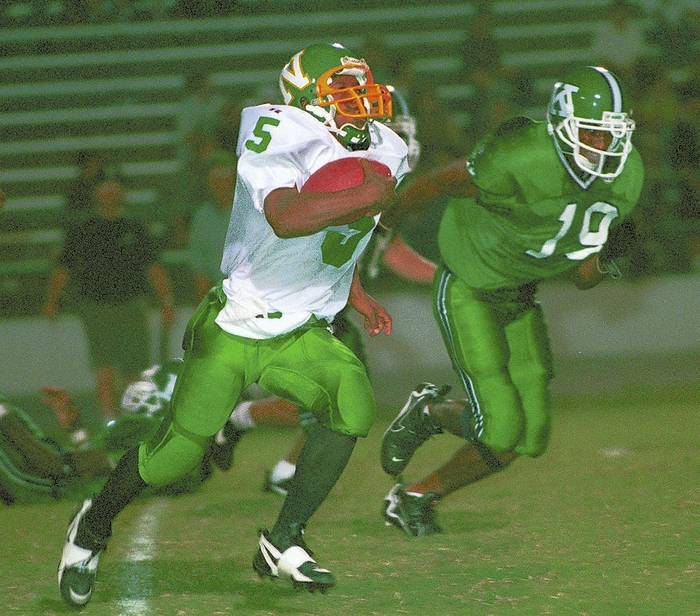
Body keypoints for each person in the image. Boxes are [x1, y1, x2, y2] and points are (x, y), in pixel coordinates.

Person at [57, 41, 407, 607]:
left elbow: (349, 232)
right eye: (343, 89)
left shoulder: (389, 146)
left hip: (302, 329)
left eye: (362, 85)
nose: (361, 98)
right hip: (238, 321)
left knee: (351, 400)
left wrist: (355, 292)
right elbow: (286, 218)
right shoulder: (278, 131)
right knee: (174, 455)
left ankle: (284, 539)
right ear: (306, 99)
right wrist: (368, 191)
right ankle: (91, 526)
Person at [378, 65, 644, 536]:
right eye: (590, 133)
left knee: (530, 435)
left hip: (520, 294)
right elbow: (439, 182)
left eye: (610, 135)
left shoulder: (626, 176)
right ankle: (428, 413)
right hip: (470, 285)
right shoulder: (519, 153)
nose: (601, 147)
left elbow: (582, 277)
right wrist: (386, 221)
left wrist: (609, 260)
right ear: (561, 123)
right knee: (499, 425)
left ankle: (415, 496)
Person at [44, 167, 176, 423]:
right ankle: (109, 421)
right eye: (104, 188)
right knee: (104, 368)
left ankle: (131, 420)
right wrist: (52, 301)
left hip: (132, 306)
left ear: (122, 192)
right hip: (96, 307)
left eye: (114, 188)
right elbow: (64, 268)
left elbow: (154, 268)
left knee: (133, 369)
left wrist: (166, 300)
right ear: (95, 192)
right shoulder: (82, 229)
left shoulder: (135, 227)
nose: (109, 193)